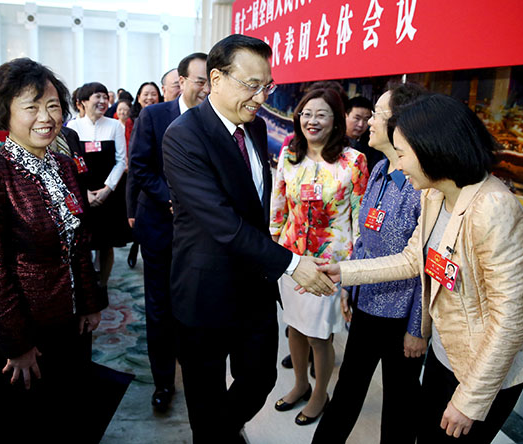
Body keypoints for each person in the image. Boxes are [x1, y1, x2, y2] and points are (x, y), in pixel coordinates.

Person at [318, 93, 523, 444]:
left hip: (485, 370)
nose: (399, 164)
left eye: (403, 153)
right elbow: (412, 259)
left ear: (433, 150)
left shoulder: (495, 210)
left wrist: (470, 400)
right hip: (446, 352)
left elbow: (509, 320)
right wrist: (343, 272)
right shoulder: (435, 194)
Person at [161, 34, 335, 443]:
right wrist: (293, 264)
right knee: (204, 394)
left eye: (267, 86)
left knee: (259, 377)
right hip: (204, 289)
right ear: (216, 78)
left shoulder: (253, 129)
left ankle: (219, 433)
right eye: (251, 85)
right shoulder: (183, 135)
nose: (261, 96)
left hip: (253, 287)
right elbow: (221, 222)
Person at [0, 58, 107, 442]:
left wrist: (90, 301)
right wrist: (18, 344)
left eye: (53, 105)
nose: (45, 117)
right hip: (26, 329)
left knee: (70, 410)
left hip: (72, 319)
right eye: (31, 106)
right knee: (30, 424)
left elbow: (79, 240)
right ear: (5, 113)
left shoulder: (62, 165)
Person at [312, 82, 428, 443]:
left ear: (401, 124)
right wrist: (349, 288)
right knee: (347, 391)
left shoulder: (423, 187)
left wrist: (417, 328)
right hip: (366, 305)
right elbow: (363, 239)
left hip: (401, 317)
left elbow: (425, 263)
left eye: (378, 114)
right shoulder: (378, 171)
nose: (368, 122)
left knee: (400, 403)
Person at [270, 88, 369, 426]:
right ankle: (299, 384)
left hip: (330, 263)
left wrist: (351, 271)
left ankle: (319, 394)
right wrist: (272, 249)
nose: (312, 120)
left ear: (336, 120)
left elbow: (359, 218)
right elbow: (278, 203)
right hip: (291, 258)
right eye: (306, 113)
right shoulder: (289, 154)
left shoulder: (353, 161)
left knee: (318, 334)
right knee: (294, 328)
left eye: (321, 114)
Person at [126, 51, 209, 413]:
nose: (206, 88)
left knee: (192, 305)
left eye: (212, 81)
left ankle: (193, 373)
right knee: (159, 308)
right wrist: (173, 200)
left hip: (202, 236)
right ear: (183, 81)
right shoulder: (154, 115)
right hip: (160, 227)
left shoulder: (216, 120)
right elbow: (141, 168)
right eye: (200, 81)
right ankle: (163, 382)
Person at [67, 82, 130, 293]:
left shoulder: (115, 126)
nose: (103, 101)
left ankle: (102, 284)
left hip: (108, 192)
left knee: (107, 242)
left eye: (105, 97)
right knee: (82, 242)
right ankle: (85, 285)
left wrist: (107, 189)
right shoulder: (72, 128)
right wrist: (84, 192)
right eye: (97, 97)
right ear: (83, 102)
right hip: (80, 192)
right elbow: (68, 163)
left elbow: (121, 161)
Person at [345, 95, 385, 175]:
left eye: (366, 119)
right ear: (345, 116)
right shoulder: (334, 141)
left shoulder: (372, 145)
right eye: (357, 118)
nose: (361, 124)